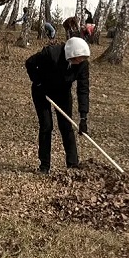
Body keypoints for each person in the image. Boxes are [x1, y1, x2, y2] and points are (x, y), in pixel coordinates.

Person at [24, 30, 91, 174]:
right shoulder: (50, 53)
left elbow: (83, 89)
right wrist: (38, 82)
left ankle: (72, 165)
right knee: (46, 126)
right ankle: (44, 166)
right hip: (42, 91)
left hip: (62, 93)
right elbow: (29, 63)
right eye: (79, 58)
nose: (80, 62)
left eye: (83, 59)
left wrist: (83, 117)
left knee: (66, 127)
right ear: (71, 54)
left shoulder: (82, 65)